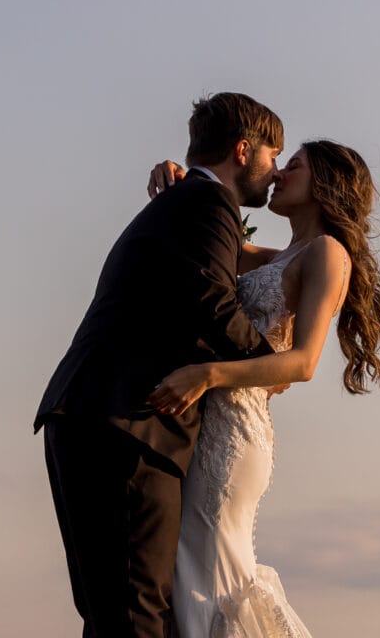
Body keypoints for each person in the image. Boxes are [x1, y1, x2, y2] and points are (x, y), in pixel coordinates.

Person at [34, 93, 284, 638]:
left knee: (116, 613)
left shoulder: (185, 201)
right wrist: (273, 366)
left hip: (95, 415)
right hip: (128, 423)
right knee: (136, 613)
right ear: (243, 151)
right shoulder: (207, 202)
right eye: (273, 155)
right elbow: (213, 302)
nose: (276, 171)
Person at [147, 140, 380, 637]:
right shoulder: (280, 257)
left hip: (234, 432)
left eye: (292, 166)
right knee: (192, 569)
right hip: (210, 422)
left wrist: (208, 375)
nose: (277, 175)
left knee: (208, 574)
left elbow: (303, 363)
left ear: (326, 185)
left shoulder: (328, 253)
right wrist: (181, 181)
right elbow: (208, 238)